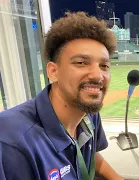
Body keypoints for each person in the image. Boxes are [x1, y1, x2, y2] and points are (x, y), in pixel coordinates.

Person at [0, 12, 123, 180]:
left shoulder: (88, 111)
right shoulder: (11, 142)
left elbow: (88, 154)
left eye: (104, 65)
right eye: (81, 63)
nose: (97, 75)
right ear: (53, 71)